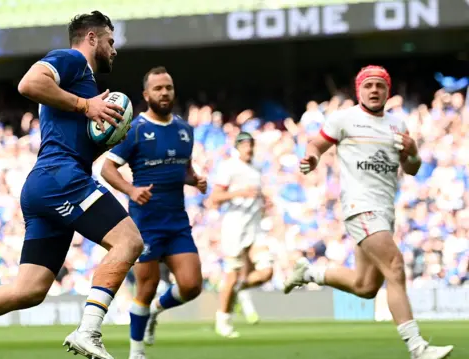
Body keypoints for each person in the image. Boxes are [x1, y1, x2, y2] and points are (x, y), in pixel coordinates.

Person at [0, 11, 144, 359]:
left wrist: (103, 137)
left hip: (47, 183)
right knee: (128, 242)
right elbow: (28, 84)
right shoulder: (72, 60)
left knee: (29, 289)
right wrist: (86, 106)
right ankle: (89, 330)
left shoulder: (84, 85)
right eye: (111, 41)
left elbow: (72, 138)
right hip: (60, 179)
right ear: (92, 38)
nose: (114, 49)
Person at [284, 65, 454, 359]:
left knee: (365, 286)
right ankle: (417, 347)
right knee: (396, 266)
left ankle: (310, 271)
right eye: (368, 85)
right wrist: (311, 157)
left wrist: (412, 151)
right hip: (359, 206)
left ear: (387, 91)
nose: (374, 90)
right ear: (359, 90)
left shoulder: (398, 125)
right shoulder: (344, 119)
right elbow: (316, 143)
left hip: (384, 211)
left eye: (380, 86)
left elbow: (411, 169)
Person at [101, 66, 207, 359]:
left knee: (192, 285)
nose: (164, 93)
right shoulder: (134, 130)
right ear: (146, 95)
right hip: (145, 222)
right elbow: (107, 169)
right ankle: (136, 353)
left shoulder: (185, 130)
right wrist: (132, 190)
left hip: (177, 221)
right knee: (145, 287)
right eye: (158, 88)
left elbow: (183, 169)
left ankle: (156, 312)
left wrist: (194, 179)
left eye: (168, 88)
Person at [209, 132, 274, 338]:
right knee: (232, 274)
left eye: (251, 144)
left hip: (255, 227)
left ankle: (236, 290)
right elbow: (215, 198)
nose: (249, 148)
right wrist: (239, 193)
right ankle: (223, 320)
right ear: (237, 147)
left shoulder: (256, 167)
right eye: (245, 144)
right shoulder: (229, 166)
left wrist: (264, 201)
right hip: (235, 227)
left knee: (267, 271)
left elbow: (256, 193)